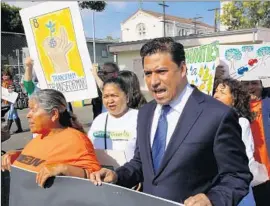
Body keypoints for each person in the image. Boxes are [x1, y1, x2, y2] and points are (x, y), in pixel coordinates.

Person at [89, 37, 252, 206]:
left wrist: (212, 199)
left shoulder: (217, 115)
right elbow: (141, 162)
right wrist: (117, 176)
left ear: (182, 69)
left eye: (161, 71)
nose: (153, 81)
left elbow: (237, 176)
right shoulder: (145, 112)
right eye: (148, 73)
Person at [1, 89, 101, 187]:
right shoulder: (40, 137)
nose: (28, 115)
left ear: (54, 114)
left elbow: (97, 177)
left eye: (33, 110)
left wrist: (64, 169)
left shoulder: (76, 140)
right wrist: (17, 155)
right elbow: (40, 157)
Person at [213, 78, 269, 206]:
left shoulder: (241, 123)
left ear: (234, 98)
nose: (217, 95)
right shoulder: (210, 122)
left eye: (222, 92)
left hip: (235, 188)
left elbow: (246, 159)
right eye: (216, 91)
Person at [88, 77, 138, 162]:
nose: (110, 100)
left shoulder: (139, 117)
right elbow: (90, 148)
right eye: (106, 96)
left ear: (127, 97)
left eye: (114, 95)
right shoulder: (99, 120)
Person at [241, 80, 270, 206]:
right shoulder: (238, 108)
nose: (250, 87)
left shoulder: (267, 101)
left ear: (262, 84)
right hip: (254, 174)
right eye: (246, 84)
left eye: (254, 83)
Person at [2, 69, 23, 133]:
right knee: (14, 115)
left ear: (9, 76)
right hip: (9, 101)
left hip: (12, 101)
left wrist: (7, 91)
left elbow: (11, 92)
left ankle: (7, 130)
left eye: (5, 75)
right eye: (3, 75)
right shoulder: (4, 82)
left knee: (10, 115)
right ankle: (19, 129)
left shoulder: (10, 82)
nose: (3, 77)